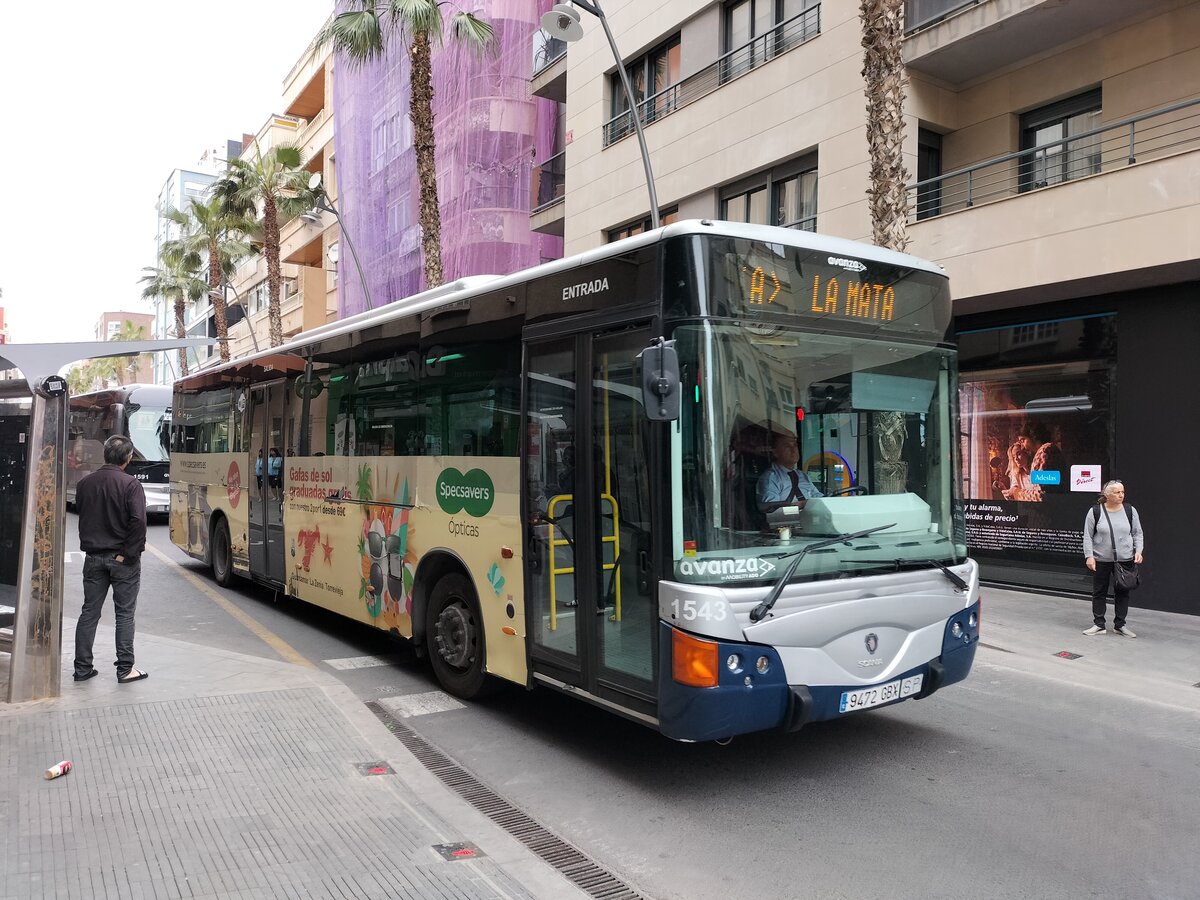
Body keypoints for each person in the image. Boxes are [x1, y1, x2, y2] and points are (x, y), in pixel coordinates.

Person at [73, 435, 149, 683]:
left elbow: (83, 514)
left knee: (89, 612)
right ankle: (125, 669)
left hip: (93, 557)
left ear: (104, 455)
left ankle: (82, 669)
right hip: (122, 560)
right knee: (125, 614)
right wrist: (127, 554)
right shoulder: (131, 485)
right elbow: (138, 521)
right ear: (127, 459)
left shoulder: (85, 484)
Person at [1082, 479, 1144, 638]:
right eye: (1117, 492)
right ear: (1107, 494)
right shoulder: (1095, 511)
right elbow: (1088, 536)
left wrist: (1139, 551)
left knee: (1123, 592)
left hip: (1125, 559)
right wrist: (1089, 556)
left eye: (1122, 492)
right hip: (1101, 559)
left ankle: (1120, 625)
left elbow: (1137, 533)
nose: (1121, 495)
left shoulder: (1130, 510)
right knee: (1099, 592)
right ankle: (1099, 624)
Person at [757, 432, 822, 512]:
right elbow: (772, 510)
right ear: (775, 452)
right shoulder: (770, 478)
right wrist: (803, 505)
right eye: (787, 446)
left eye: (795, 445)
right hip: (788, 522)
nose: (793, 450)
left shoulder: (802, 475)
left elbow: (818, 498)